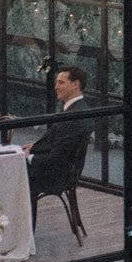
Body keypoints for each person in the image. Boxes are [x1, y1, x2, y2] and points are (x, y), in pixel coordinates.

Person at [24, 66, 92, 232]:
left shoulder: (73, 117)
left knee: (9, 175)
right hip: (61, 170)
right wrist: (35, 147)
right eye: (56, 82)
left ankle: (21, 234)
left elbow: (57, 158)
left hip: (55, 175)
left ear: (75, 84)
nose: (56, 86)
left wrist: (28, 157)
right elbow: (60, 142)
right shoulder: (79, 109)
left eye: (61, 82)